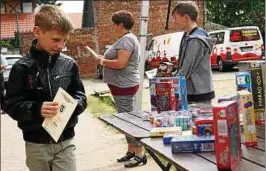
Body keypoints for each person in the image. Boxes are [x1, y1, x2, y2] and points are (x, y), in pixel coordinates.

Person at [4, 5, 87, 171]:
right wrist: (36, 109)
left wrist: (72, 106)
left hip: (65, 140)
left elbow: (81, 97)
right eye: (56, 39)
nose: (61, 45)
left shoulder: (69, 64)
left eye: (65, 40)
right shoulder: (21, 68)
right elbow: (9, 105)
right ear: (37, 32)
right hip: (36, 144)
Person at [85, 10, 147, 168]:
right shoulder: (126, 39)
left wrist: (102, 61)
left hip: (124, 85)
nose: (112, 27)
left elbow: (120, 63)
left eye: (114, 24)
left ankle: (139, 154)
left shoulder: (126, 40)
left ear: (121, 25)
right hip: (121, 85)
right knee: (125, 118)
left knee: (129, 121)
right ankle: (131, 151)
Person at [172, 1, 215, 108]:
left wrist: (169, 81)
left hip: (198, 96)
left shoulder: (196, 39)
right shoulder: (190, 36)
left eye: (176, 17)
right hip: (195, 93)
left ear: (185, 17)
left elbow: (185, 70)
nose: (174, 22)